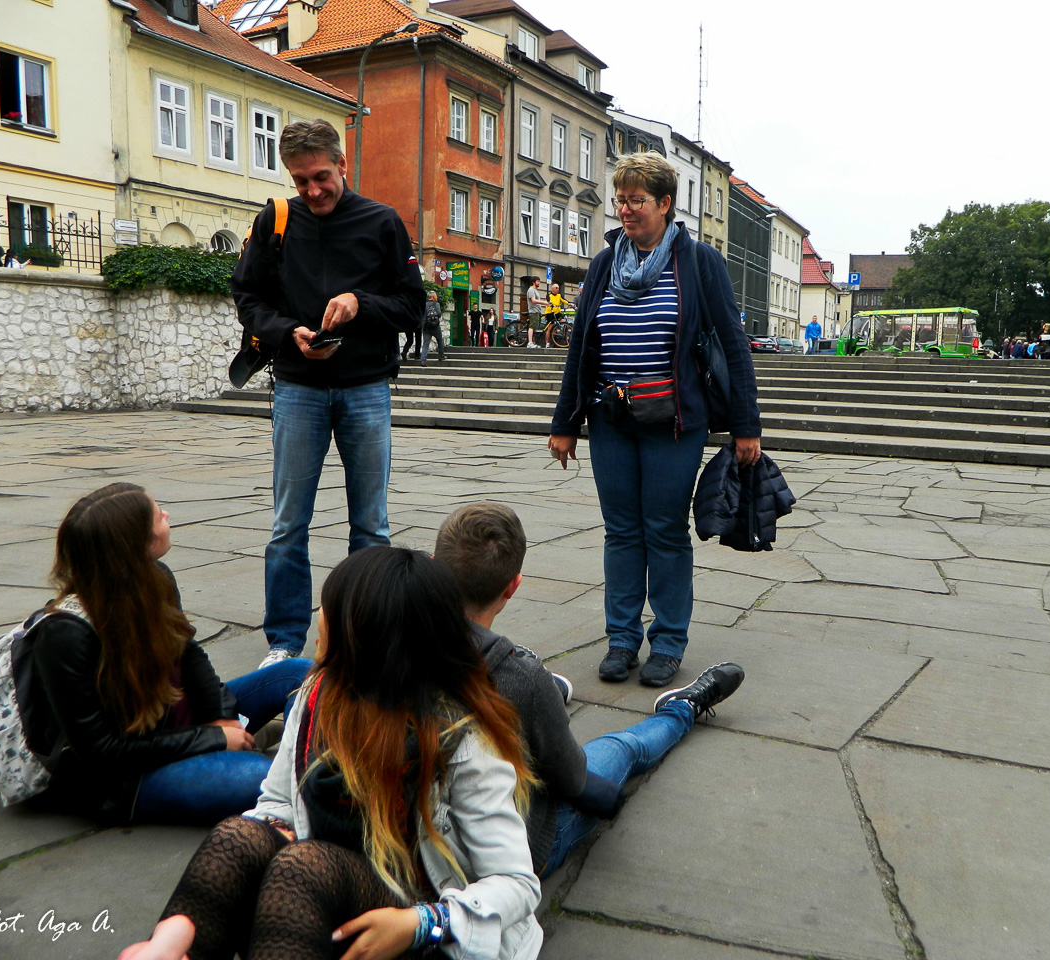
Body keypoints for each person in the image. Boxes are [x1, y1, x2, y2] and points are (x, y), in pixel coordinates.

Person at [118, 546, 542, 960]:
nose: (318, 621)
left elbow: (517, 883)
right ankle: (171, 949)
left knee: (302, 867)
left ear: (371, 640)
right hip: (331, 883)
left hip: (422, 913)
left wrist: (422, 923)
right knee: (239, 836)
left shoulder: (460, 735)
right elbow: (277, 802)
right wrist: (269, 837)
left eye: (331, 611)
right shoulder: (318, 695)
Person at [433, 502, 745, 878]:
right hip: (509, 854)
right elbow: (571, 777)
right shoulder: (520, 676)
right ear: (513, 586)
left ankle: (552, 694)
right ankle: (681, 708)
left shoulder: (384, 639)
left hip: (411, 848)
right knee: (623, 748)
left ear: (433, 564)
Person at [548, 153, 762, 688]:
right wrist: (565, 421)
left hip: (674, 420)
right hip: (611, 419)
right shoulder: (605, 263)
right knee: (621, 531)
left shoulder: (697, 261)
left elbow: (733, 345)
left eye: (636, 200)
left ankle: (667, 641)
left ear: (665, 204)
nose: (625, 209)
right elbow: (582, 346)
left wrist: (746, 425)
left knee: (665, 530)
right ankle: (621, 639)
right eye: (620, 200)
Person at [232, 119, 425, 669]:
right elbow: (248, 298)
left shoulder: (382, 221)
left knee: (371, 525)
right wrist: (286, 332)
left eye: (321, 176)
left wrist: (361, 302)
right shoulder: (276, 220)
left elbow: (413, 306)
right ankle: (284, 642)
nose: (313, 190)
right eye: (300, 181)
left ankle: (367, 638)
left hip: (366, 387)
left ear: (342, 164)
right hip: (298, 387)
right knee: (288, 524)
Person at [22, 483, 311, 825]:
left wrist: (221, 717)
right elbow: (102, 752)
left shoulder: (156, 577)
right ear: (138, 544)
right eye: (157, 514)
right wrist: (213, 738)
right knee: (259, 777)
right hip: (127, 775)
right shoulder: (64, 635)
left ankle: (297, 760)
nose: (166, 514)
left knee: (300, 674)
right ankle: (284, 766)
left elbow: (189, 655)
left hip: (180, 722)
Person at [420, 290, 446, 365]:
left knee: (426, 344)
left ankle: (423, 360)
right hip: (435, 326)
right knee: (440, 340)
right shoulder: (436, 304)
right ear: (433, 297)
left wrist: (422, 327)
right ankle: (441, 356)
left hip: (427, 327)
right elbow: (439, 314)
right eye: (435, 295)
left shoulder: (424, 305)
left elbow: (423, 317)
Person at [525, 277, 546, 347]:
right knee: (532, 326)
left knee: (535, 327)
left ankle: (533, 342)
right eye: (537, 281)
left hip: (537, 311)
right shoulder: (531, 290)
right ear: (533, 282)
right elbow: (533, 300)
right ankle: (530, 343)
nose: (539, 283)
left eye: (539, 281)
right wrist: (544, 303)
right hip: (533, 311)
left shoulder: (535, 290)